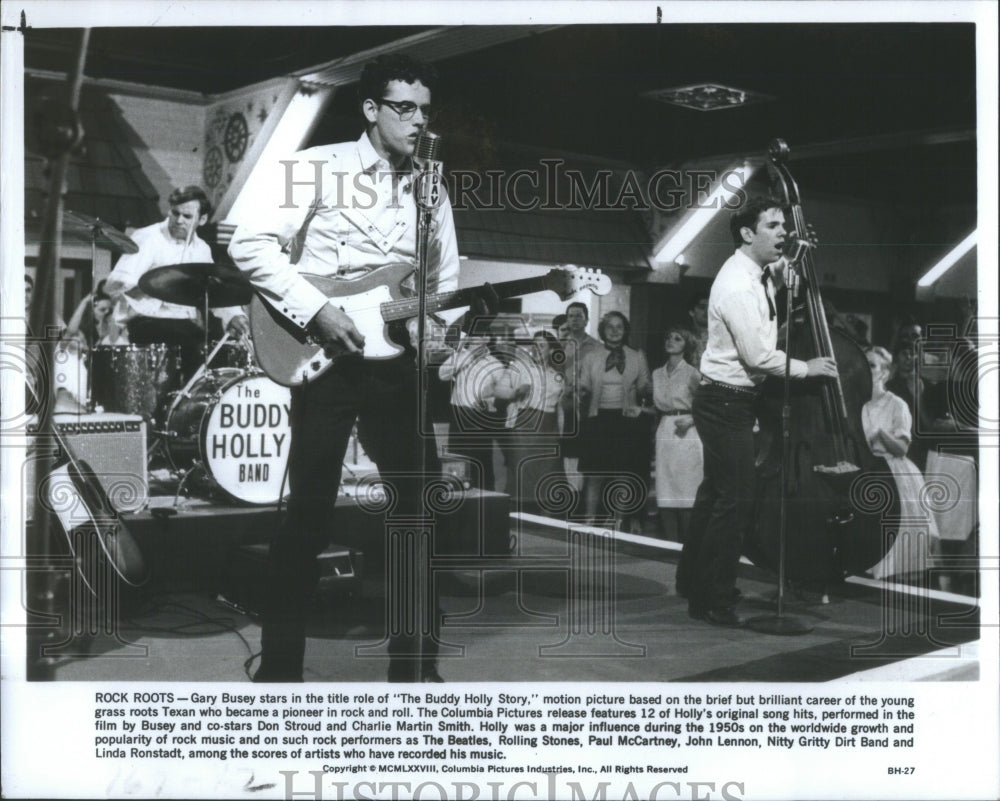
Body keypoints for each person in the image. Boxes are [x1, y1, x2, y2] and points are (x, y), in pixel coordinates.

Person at [229, 54, 478, 683]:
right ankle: (281, 669)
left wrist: (435, 332)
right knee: (307, 516)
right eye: (404, 108)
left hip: (397, 370)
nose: (419, 120)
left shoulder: (431, 188)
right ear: (371, 110)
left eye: (425, 109)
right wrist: (317, 311)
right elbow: (248, 243)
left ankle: (414, 667)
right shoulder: (317, 168)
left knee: (415, 517)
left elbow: (442, 278)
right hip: (328, 362)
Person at [680, 196, 838, 626]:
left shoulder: (758, 270)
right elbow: (759, 357)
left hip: (729, 399)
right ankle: (714, 599)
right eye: (773, 225)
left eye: (783, 225)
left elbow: (785, 279)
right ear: (747, 234)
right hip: (724, 400)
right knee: (737, 501)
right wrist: (809, 367)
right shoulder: (736, 285)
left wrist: (799, 257)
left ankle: (694, 585)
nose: (782, 232)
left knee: (716, 494)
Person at [104, 185, 248, 375]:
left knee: (218, 351)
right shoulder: (147, 238)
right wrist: (149, 285)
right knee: (190, 340)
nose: (179, 220)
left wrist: (234, 315)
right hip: (145, 322)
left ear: (202, 220)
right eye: (175, 213)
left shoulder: (201, 249)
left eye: (187, 216)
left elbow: (213, 290)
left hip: (183, 325)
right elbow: (114, 283)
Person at [862, 347, 940, 579]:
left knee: (897, 548)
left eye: (873, 365)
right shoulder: (860, 403)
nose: (866, 369)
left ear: (885, 372)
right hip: (868, 471)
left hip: (895, 473)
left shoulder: (897, 405)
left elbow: (902, 448)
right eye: (864, 364)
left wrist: (880, 433)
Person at [577, 311, 651, 529]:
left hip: (626, 422)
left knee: (622, 474)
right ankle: (590, 522)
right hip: (598, 419)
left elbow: (645, 388)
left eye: (620, 326)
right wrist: (578, 392)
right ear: (603, 331)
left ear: (625, 330)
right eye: (610, 326)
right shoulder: (591, 356)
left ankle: (619, 523)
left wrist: (645, 401)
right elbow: (584, 386)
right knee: (594, 474)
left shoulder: (637, 356)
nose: (615, 330)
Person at [651, 325, 702, 562]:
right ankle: (671, 548)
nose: (670, 341)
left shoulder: (692, 373)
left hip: (688, 432)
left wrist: (691, 419)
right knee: (666, 489)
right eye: (668, 337)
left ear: (686, 345)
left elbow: (705, 405)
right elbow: (659, 405)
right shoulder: (657, 373)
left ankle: (689, 549)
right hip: (665, 430)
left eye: (677, 338)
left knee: (686, 490)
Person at [509, 330, 566, 513]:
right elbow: (504, 393)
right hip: (525, 426)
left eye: (541, 346)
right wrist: (517, 392)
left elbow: (560, 408)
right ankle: (521, 517)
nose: (536, 349)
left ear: (550, 350)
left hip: (548, 428)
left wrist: (561, 434)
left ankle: (546, 519)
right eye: (533, 345)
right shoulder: (519, 367)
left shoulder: (557, 376)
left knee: (549, 472)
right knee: (524, 471)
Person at [559, 300, 603, 492]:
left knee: (588, 450)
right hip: (566, 405)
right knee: (569, 451)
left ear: (586, 320)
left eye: (579, 316)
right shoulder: (559, 347)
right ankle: (571, 493)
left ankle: (586, 494)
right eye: (571, 316)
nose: (574, 320)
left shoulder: (597, 347)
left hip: (589, 404)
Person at [686, 292, 709, 368]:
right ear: (691, 312)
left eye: (709, 308)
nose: (707, 311)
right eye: (702, 307)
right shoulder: (683, 337)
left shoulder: (719, 338)